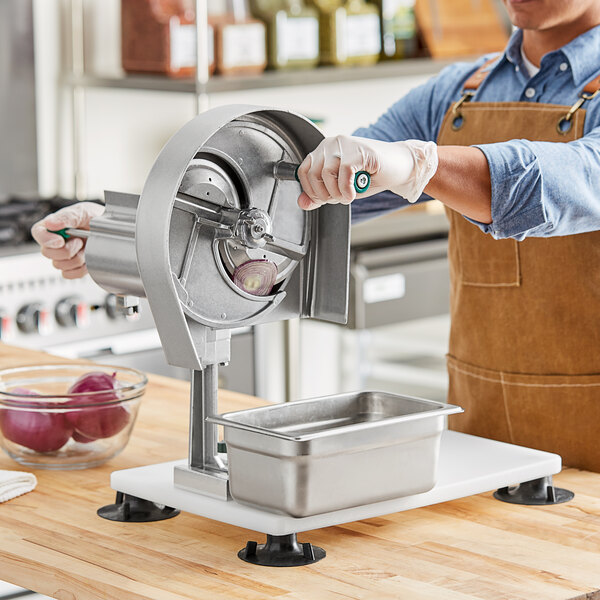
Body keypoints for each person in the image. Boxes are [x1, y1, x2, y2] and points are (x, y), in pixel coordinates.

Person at [33, 0, 600, 470]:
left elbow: (566, 184)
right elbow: (301, 206)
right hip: (482, 429)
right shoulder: (460, 90)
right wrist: (125, 228)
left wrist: (414, 163)